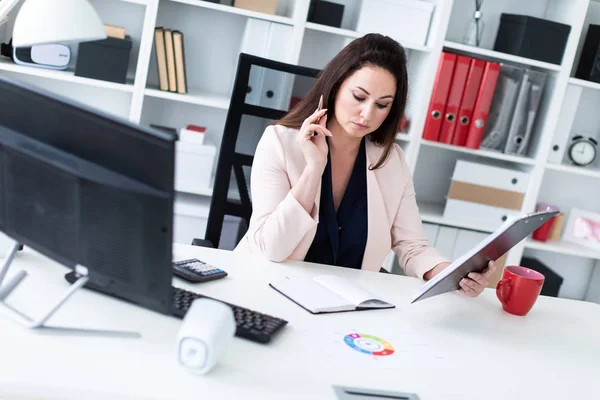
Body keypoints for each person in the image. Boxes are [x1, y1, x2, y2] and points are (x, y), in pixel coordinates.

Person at [235, 33, 495, 297]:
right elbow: (271, 248)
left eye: (382, 105)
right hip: (270, 290)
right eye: (359, 97)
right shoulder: (278, 142)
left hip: (347, 303)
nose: (367, 114)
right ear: (335, 87)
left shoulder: (390, 159)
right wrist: (314, 168)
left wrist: (453, 275)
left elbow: (413, 246)